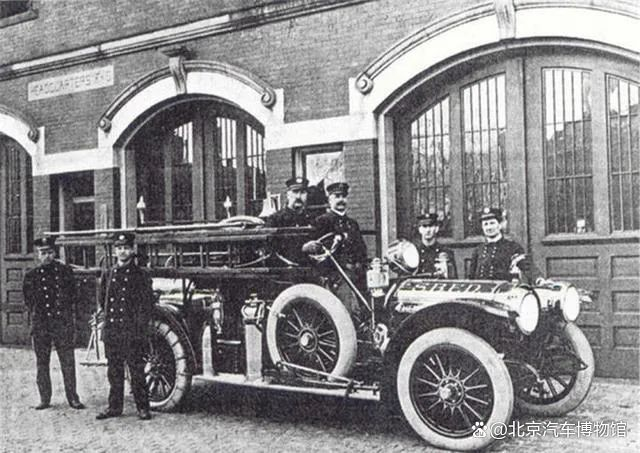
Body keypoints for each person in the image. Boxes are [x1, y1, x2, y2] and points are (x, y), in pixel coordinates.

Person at [22, 237, 85, 411]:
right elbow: (29, 301)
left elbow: (74, 296)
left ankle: (73, 397)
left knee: (68, 362)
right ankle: (44, 398)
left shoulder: (65, 272)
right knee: (42, 363)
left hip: (61, 323)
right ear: (38, 254)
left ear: (54, 252)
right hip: (41, 324)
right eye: (43, 253)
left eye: (50, 252)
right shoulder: (31, 276)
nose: (47, 256)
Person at [96, 232, 154, 421]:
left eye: (126, 248)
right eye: (119, 248)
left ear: (132, 250)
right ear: (115, 251)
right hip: (113, 330)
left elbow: (146, 304)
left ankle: (143, 407)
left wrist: (139, 328)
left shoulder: (141, 274)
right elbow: (102, 299)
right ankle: (114, 407)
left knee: (136, 371)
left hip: (132, 331)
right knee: (114, 371)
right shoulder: (109, 273)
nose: (122, 252)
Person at [303, 182, 368, 319]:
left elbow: (361, 250)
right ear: (329, 199)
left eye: (343, 196)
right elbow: (317, 253)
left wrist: (359, 265)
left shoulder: (352, 223)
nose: (341, 200)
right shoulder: (322, 221)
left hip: (355, 274)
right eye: (337, 196)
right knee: (347, 305)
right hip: (334, 275)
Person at [468, 207, 535, 283]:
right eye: (485, 224)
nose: (489, 227)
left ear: (500, 225)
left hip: (503, 289)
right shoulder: (478, 250)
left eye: (492, 223)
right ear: (482, 227)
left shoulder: (512, 247)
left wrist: (539, 280)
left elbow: (527, 267)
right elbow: (471, 277)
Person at [265, 176, 315, 265]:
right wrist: (301, 248)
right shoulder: (275, 219)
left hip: (309, 266)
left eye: (303, 192)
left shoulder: (311, 219)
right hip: (285, 268)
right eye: (295, 192)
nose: (298, 196)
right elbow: (272, 248)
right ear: (288, 195)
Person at [414, 213, 457, 278]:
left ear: (436, 228)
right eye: (424, 226)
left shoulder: (446, 252)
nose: (428, 230)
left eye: (431, 226)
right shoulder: (414, 252)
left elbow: (452, 279)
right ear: (420, 229)